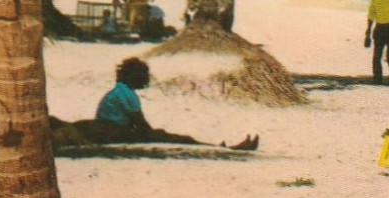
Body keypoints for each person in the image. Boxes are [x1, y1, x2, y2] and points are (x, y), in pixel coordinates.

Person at [55, 58, 257, 150]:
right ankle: (220, 147)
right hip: (114, 131)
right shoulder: (127, 94)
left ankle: (218, 146)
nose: (146, 79)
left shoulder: (119, 91)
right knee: (175, 138)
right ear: (134, 76)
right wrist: (154, 134)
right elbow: (141, 125)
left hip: (106, 128)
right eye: (143, 76)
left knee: (168, 135)